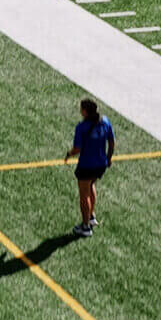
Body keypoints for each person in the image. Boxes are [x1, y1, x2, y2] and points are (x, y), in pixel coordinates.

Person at [64, 98, 114, 238]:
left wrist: (69, 154)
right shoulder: (105, 122)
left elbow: (77, 148)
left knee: (84, 194)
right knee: (91, 185)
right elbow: (111, 141)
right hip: (100, 164)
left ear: (85, 111)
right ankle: (91, 216)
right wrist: (109, 158)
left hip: (87, 165)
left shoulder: (82, 127)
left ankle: (85, 226)